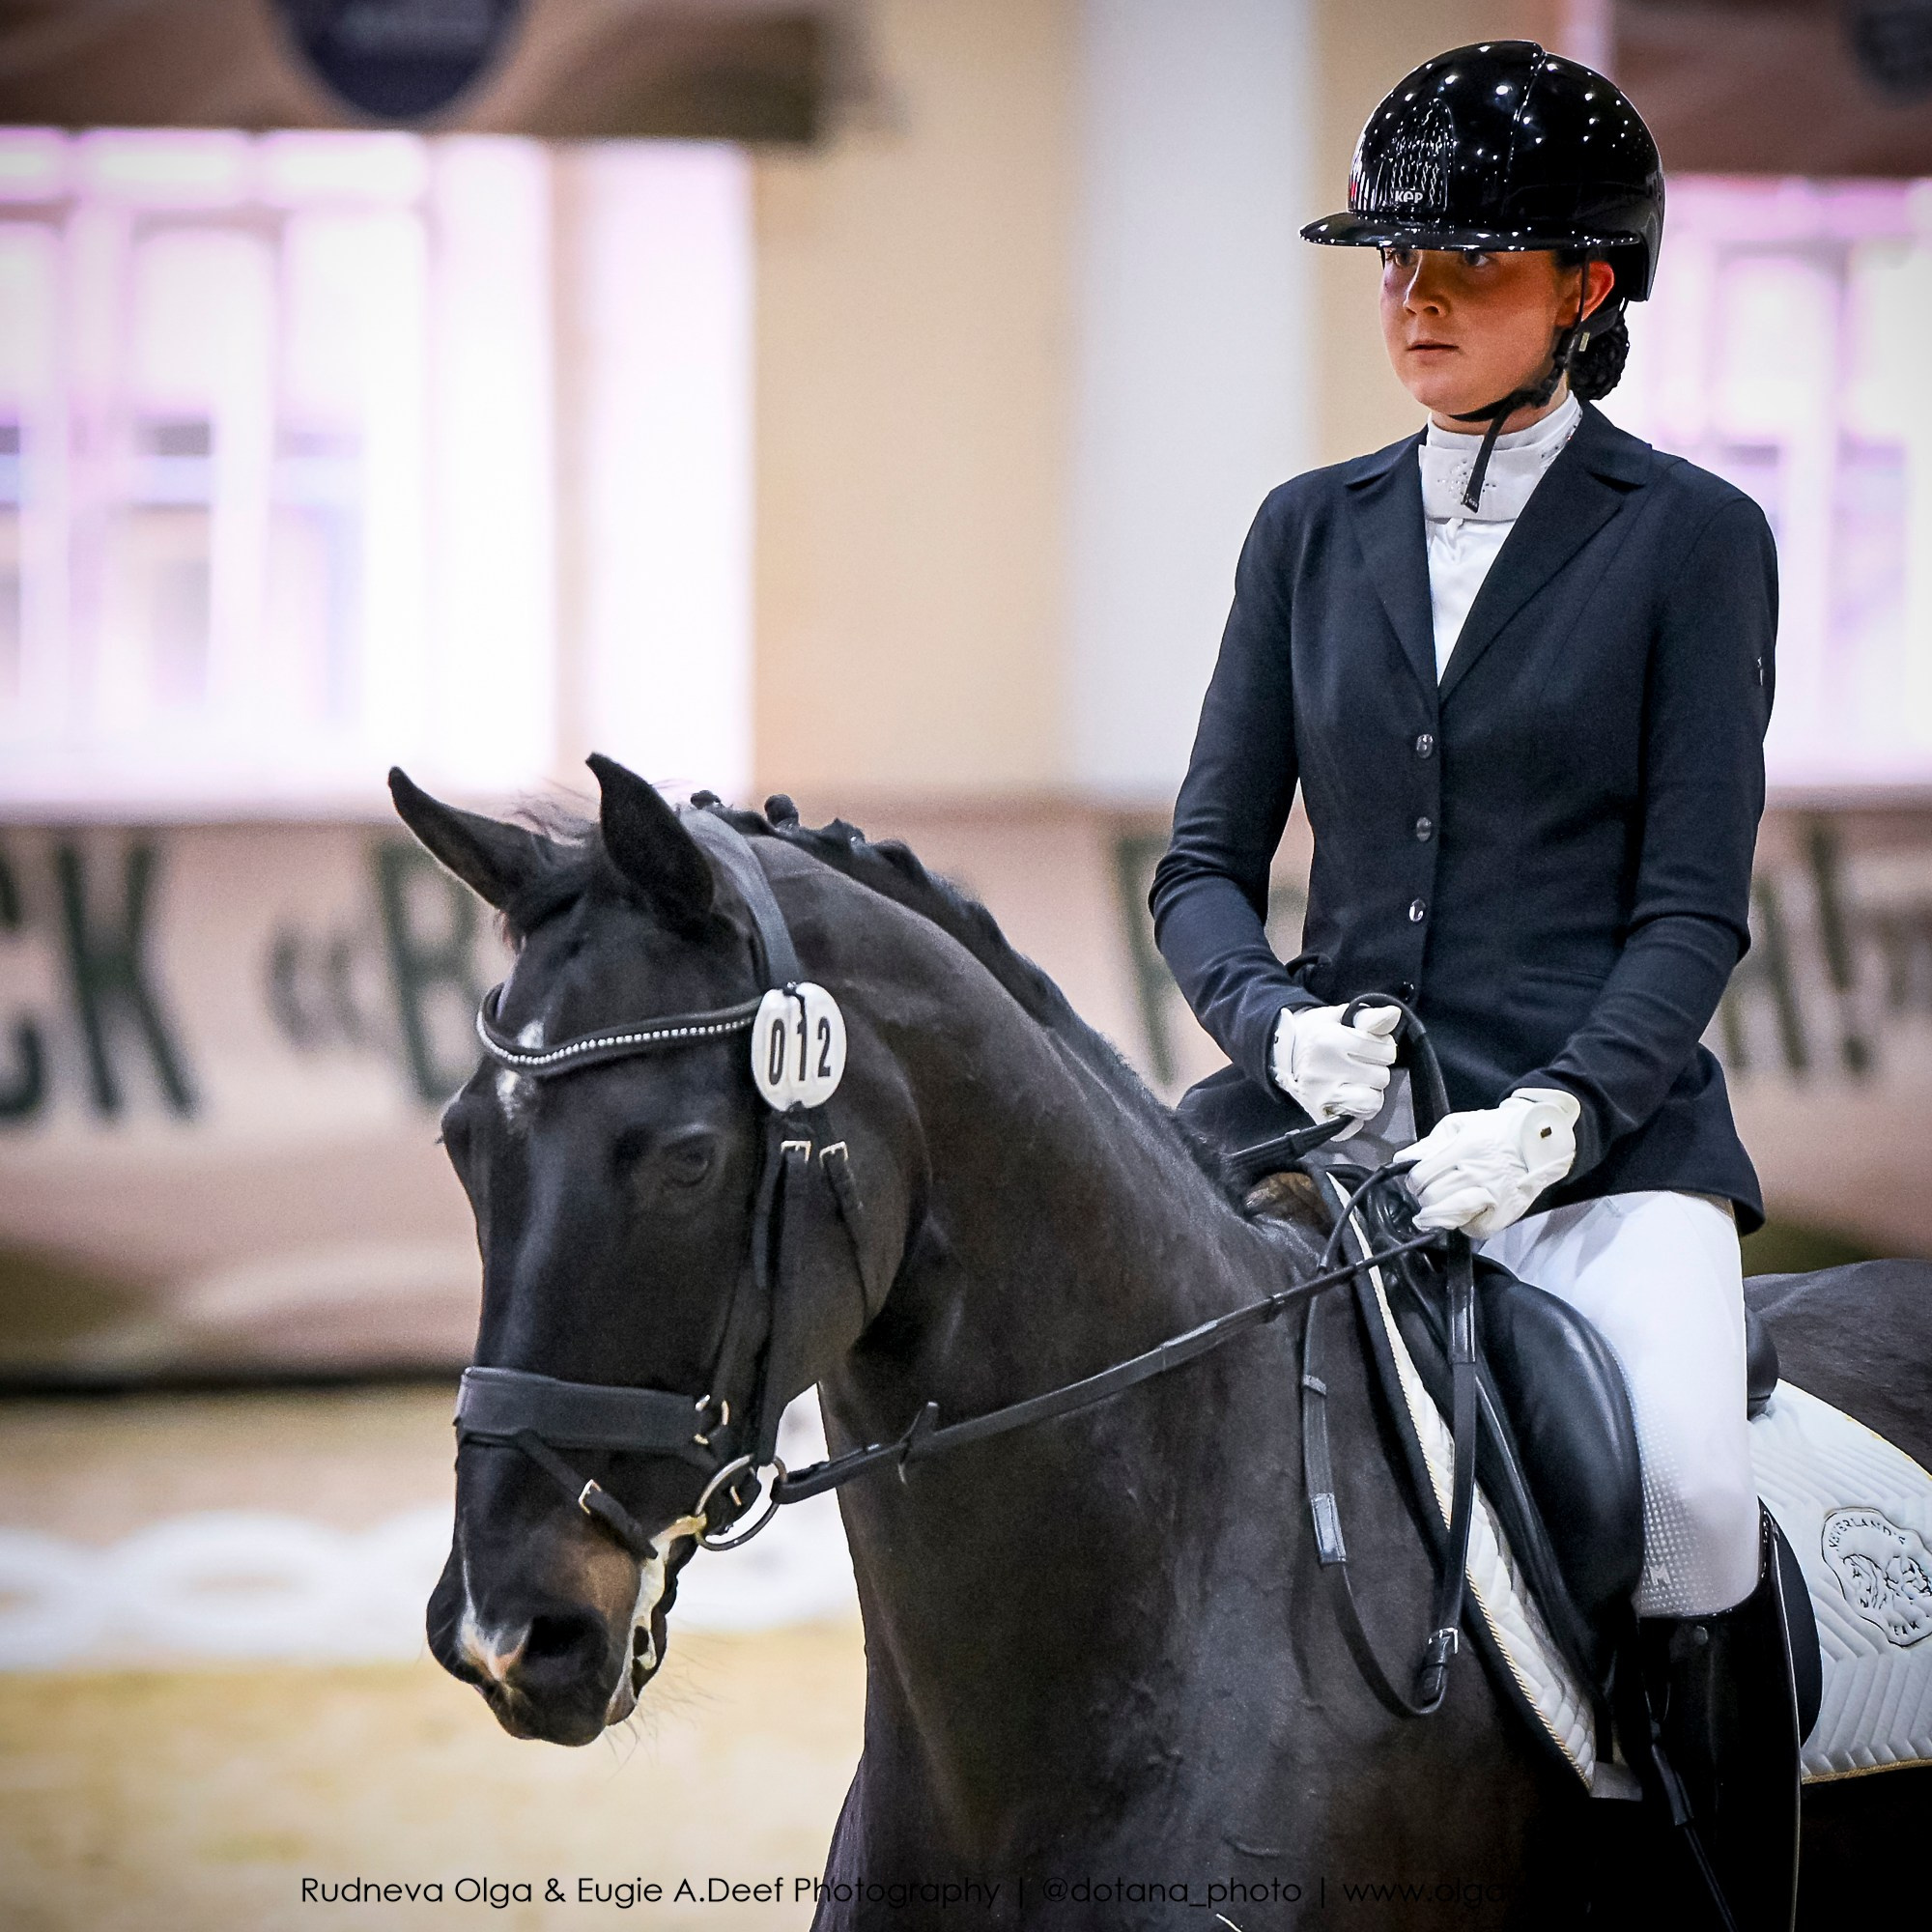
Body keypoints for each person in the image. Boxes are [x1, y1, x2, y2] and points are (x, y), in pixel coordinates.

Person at [1150, 40, 1796, 1923]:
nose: (1413, 303)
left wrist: (1559, 1117)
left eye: (1469, 266)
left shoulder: (1691, 542)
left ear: (1587, 291)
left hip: (1599, 1156)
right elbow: (1202, 865)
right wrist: (1271, 1024)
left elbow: (1691, 910)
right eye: (1392, 264)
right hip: (1329, 1134)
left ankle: (1716, 1895)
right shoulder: (1306, 530)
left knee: (1682, 1500)